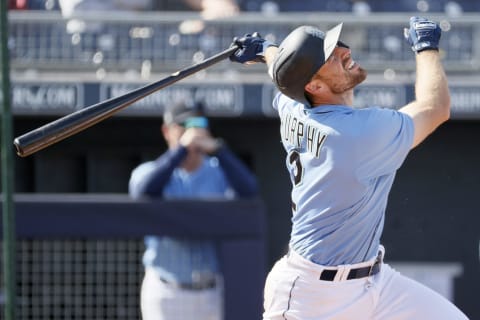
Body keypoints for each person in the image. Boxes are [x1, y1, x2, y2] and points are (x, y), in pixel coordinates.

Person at [229, 17, 469, 319]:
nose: (343, 51)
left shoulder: (293, 104)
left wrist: (267, 50)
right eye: (330, 55)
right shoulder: (356, 133)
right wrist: (427, 47)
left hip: (375, 283)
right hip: (311, 296)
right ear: (314, 85)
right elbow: (435, 107)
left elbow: (283, 71)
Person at [128, 100, 259, 320]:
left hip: (209, 290)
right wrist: (180, 151)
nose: (192, 132)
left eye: (197, 124)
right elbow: (143, 190)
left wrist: (219, 149)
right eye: (184, 125)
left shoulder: (218, 171)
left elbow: (250, 190)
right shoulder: (152, 170)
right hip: (167, 289)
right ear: (167, 131)